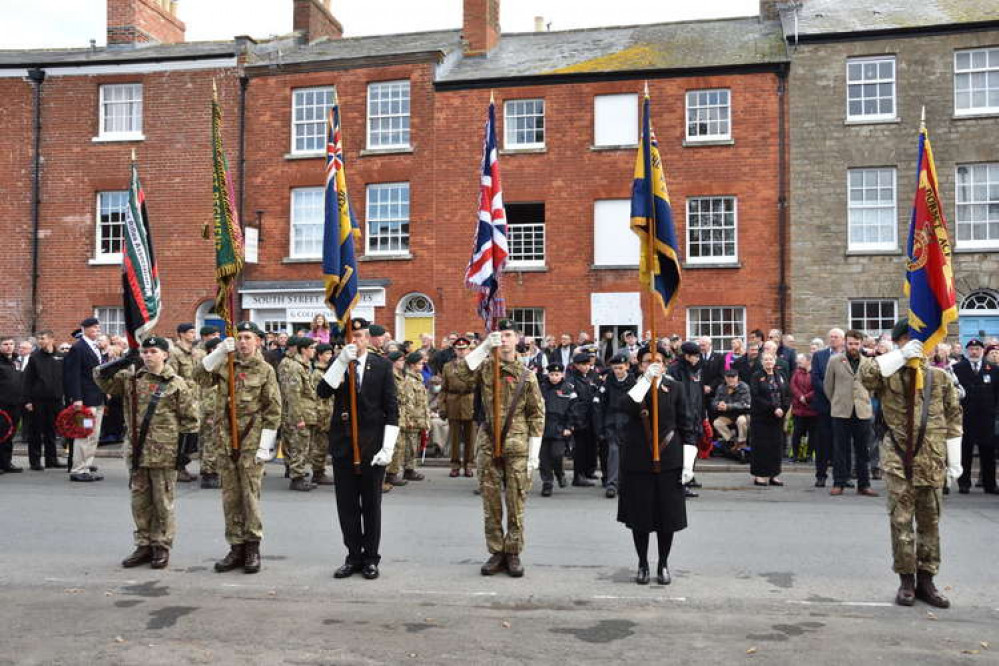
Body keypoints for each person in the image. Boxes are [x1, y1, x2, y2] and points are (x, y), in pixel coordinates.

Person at [860, 319, 962, 608]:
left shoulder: (939, 378)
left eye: (917, 340)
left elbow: (954, 417)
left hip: (931, 459)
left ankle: (927, 580)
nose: (914, 345)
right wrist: (897, 356)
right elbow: (865, 376)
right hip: (898, 459)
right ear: (898, 342)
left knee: (930, 522)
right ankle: (906, 580)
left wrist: (954, 459)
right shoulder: (888, 374)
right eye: (906, 339)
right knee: (901, 520)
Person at [95, 336, 198, 569]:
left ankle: (161, 546)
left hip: (164, 452)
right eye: (144, 352)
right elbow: (99, 377)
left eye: (153, 351)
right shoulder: (132, 379)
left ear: (164, 355)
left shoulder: (176, 383)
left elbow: (190, 422)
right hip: (138, 452)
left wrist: (183, 455)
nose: (148, 356)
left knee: (163, 502)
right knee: (140, 501)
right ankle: (143, 544)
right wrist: (122, 361)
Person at [454, 318, 544, 578]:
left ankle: (513, 552)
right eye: (499, 336)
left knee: (516, 502)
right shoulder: (486, 368)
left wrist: (534, 454)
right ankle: (496, 552)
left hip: (517, 445)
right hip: (488, 443)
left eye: (507, 335)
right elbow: (460, 374)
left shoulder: (527, 376)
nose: (503, 340)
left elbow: (537, 415)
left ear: (517, 339)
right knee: (491, 503)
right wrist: (483, 347)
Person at [195, 322, 281, 574]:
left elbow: (273, 410)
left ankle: (253, 547)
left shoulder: (264, 370)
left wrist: (266, 445)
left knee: (250, 496)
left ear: (257, 341)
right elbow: (198, 377)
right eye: (239, 337)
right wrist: (219, 352)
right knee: (230, 497)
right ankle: (236, 546)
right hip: (224, 442)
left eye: (247, 337)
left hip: (251, 443)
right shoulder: (225, 365)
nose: (242, 342)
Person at [318, 318, 399, 580]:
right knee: (347, 506)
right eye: (353, 336)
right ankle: (353, 556)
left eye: (362, 335)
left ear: (369, 339)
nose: (357, 340)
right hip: (344, 445)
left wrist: (387, 447)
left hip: (372, 447)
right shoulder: (338, 364)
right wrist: (340, 362)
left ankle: (371, 558)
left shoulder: (383, 366)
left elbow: (391, 409)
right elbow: (322, 391)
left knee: (371, 505)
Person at [618, 346, 697, 585]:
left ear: (665, 365)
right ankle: (642, 562)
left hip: (669, 459)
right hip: (638, 460)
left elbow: (687, 426)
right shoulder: (634, 386)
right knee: (640, 518)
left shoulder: (676, 388)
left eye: (658, 361)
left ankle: (663, 563)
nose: (652, 365)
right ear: (639, 365)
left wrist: (688, 463)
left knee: (667, 518)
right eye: (646, 362)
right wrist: (645, 379)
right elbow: (627, 406)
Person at [824, 330, 878, 497]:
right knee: (841, 449)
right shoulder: (835, 361)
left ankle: (864, 484)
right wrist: (836, 401)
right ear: (845, 343)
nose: (853, 347)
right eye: (850, 343)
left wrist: (865, 399)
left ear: (861, 344)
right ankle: (839, 482)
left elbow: (874, 385)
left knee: (863, 449)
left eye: (856, 344)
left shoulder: (868, 362)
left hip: (862, 411)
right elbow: (828, 386)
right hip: (841, 410)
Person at [63, 317, 107, 482]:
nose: (97, 329)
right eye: (94, 327)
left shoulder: (95, 347)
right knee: (84, 434)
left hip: (97, 398)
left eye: (98, 327)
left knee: (94, 436)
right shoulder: (78, 348)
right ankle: (78, 469)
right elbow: (72, 375)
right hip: (86, 400)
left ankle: (86, 467)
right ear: (84, 328)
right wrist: (77, 398)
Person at [951, 338, 998, 494]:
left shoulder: (993, 369)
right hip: (966, 416)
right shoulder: (958, 368)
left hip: (986, 417)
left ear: (982, 351)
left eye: (977, 349)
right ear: (967, 351)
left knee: (988, 451)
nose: (974, 352)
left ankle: (990, 484)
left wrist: (995, 412)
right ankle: (964, 483)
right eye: (971, 349)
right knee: (965, 450)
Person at [278, 336, 320, 492]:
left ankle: (299, 473)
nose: (314, 351)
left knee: (304, 446)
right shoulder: (295, 367)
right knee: (299, 446)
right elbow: (293, 395)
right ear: (304, 350)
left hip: (308, 411)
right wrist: (298, 418)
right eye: (312, 348)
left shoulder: (306, 365)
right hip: (301, 412)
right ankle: (297, 478)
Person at [21, 330, 66, 470]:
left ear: (52, 339)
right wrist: (27, 400)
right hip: (38, 401)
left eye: (43, 338)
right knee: (36, 431)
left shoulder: (61, 357)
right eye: (39, 339)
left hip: (56, 400)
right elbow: (27, 380)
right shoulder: (34, 357)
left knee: (51, 431)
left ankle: (51, 460)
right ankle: (35, 461)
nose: (41, 341)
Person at [596, 353, 636, 497]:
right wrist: (600, 427)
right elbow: (601, 405)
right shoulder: (608, 382)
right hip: (612, 422)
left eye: (620, 368)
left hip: (628, 423)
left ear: (627, 366)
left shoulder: (634, 382)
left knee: (628, 454)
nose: (618, 371)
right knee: (613, 451)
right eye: (615, 368)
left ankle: (626, 483)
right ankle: (611, 484)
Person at [668, 341, 705, 497]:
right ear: (686, 356)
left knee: (692, 448)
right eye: (694, 356)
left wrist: (703, 415)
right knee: (682, 451)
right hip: (681, 417)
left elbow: (698, 393)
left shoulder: (695, 370)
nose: (697, 359)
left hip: (695, 415)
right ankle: (681, 484)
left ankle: (689, 476)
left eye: (698, 356)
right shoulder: (675, 370)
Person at [810, 328, 845, 488]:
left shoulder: (847, 356)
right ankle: (821, 475)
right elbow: (816, 378)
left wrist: (839, 396)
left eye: (836, 337)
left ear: (842, 339)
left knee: (841, 443)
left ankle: (842, 477)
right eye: (831, 337)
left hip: (843, 406)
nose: (833, 339)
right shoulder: (819, 356)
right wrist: (830, 394)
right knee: (822, 442)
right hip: (824, 405)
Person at [168, 323, 203, 483]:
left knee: (192, 436)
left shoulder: (196, 353)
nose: (193, 334)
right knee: (182, 435)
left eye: (194, 331)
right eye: (190, 332)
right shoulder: (174, 353)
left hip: (196, 399)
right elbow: (173, 377)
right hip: (182, 399)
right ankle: (178, 468)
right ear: (181, 334)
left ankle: (183, 465)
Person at [387, 351, 428, 485]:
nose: (402, 363)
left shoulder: (402, 376)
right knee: (399, 446)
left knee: (409, 445)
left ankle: (405, 470)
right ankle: (392, 473)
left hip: (408, 415)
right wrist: (409, 418)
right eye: (400, 360)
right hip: (402, 415)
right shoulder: (396, 377)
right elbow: (407, 400)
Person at [749, 352, 790, 486]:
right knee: (762, 447)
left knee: (775, 446)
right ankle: (759, 475)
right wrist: (773, 408)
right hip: (761, 417)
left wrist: (783, 409)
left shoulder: (781, 375)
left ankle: (774, 474)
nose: (768, 362)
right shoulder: (757, 376)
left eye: (770, 359)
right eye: (765, 360)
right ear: (761, 362)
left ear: (775, 361)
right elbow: (756, 396)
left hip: (777, 417)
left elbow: (787, 394)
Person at [538, 362, 576, 497]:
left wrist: (569, 427)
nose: (554, 377)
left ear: (562, 375)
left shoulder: (568, 388)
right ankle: (547, 483)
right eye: (552, 374)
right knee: (543, 458)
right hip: (542, 427)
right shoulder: (541, 387)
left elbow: (573, 409)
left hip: (559, 427)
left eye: (557, 374)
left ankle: (560, 474)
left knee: (556, 455)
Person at [440, 337, 476, 478]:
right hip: (453, 401)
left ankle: (469, 464)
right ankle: (455, 464)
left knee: (470, 437)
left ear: (469, 350)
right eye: (459, 349)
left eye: (464, 349)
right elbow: (443, 388)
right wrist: (442, 406)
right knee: (454, 437)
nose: (461, 352)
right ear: (454, 350)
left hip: (469, 401)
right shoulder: (447, 366)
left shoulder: (474, 365)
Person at [567, 352, 600, 487]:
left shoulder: (591, 377)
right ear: (576, 365)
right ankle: (578, 476)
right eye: (582, 365)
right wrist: (576, 420)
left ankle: (588, 471)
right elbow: (574, 403)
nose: (586, 367)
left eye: (587, 364)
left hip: (591, 417)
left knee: (590, 446)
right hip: (579, 419)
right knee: (580, 449)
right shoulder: (572, 380)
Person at [197, 337, 222, 489]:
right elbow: (208, 392)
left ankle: (212, 470)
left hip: (216, 410)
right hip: (210, 410)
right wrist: (210, 414)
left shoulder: (219, 365)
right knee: (210, 442)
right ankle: (208, 473)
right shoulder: (209, 366)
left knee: (213, 441)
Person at [711, 369, 751, 462]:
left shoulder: (744, 387)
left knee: (741, 421)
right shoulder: (721, 387)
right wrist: (718, 405)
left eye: (733, 377)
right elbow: (714, 401)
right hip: (728, 415)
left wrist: (728, 406)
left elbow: (745, 404)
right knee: (717, 423)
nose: (731, 380)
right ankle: (732, 441)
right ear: (725, 378)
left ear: (737, 377)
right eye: (728, 378)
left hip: (742, 413)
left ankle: (742, 443)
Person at [311, 343, 335, 487]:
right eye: (327, 354)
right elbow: (317, 396)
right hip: (322, 414)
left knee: (324, 444)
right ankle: (317, 472)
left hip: (329, 412)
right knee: (320, 445)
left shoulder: (328, 371)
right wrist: (319, 415)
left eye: (331, 354)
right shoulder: (317, 373)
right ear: (319, 356)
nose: (330, 356)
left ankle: (320, 470)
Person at [0, 336, 24, 474]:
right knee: (1, 434)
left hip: (15, 404)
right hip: (2, 405)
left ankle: (6, 462)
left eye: (11, 344)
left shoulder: (16, 361)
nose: (9, 346)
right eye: (5, 344)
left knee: (10, 435)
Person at [789, 354, 818, 463]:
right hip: (799, 409)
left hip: (812, 409)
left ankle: (809, 455)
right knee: (797, 433)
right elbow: (793, 385)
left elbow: (817, 387)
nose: (799, 362)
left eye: (801, 361)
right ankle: (795, 455)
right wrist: (800, 396)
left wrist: (806, 397)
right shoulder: (797, 372)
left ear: (808, 361)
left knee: (813, 434)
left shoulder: (815, 372)